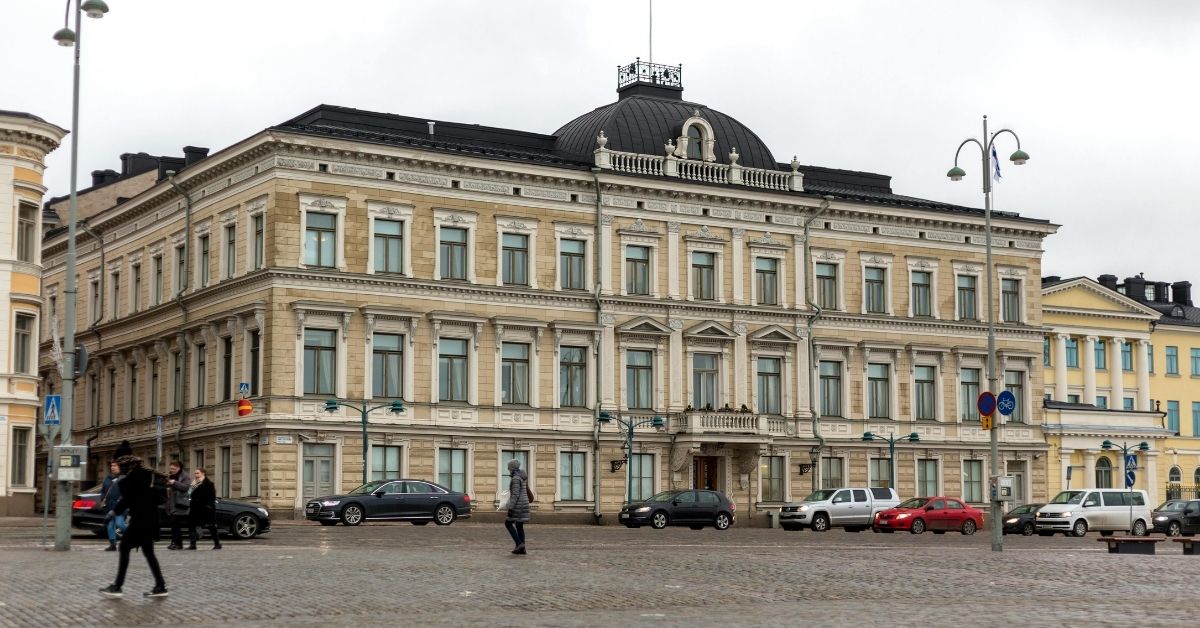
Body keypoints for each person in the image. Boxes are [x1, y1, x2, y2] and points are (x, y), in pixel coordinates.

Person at [100, 455, 167, 598]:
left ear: (127, 467)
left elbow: (128, 498)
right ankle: (160, 586)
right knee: (148, 553)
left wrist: (113, 512)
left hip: (140, 520)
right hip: (150, 520)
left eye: (120, 466)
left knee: (124, 547)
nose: (117, 468)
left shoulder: (132, 479)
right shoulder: (146, 476)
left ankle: (117, 586)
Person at [187, 468, 221, 550]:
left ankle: (217, 544)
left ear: (203, 473)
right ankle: (193, 544)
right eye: (195, 473)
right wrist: (192, 486)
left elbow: (212, 497)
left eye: (197, 473)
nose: (196, 475)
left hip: (206, 509)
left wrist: (208, 507)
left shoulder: (209, 484)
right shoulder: (194, 484)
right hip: (195, 508)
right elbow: (189, 494)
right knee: (191, 525)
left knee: (211, 526)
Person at [504, 458, 530, 555]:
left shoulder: (515, 478)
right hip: (524, 504)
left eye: (509, 467)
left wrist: (511, 508)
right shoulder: (521, 476)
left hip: (518, 505)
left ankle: (519, 544)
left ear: (512, 467)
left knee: (508, 523)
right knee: (519, 525)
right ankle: (522, 549)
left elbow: (515, 495)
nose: (508, 469)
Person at [99, 461, 127, 551]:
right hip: (109, 505)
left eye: (115, 466)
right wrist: (102, 497)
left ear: (120, 467)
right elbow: (103, 490)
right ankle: (112, 544)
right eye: (111, 466)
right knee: (110, 525)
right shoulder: (108, 478)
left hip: (119, 506)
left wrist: (120, 499)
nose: (112, 467)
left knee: (120, 524)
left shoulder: (124, 478)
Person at [164, 461, 192, 550]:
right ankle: (175, 543)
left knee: (175, 523)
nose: (171, 470)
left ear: (179, 468)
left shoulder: (185, 476)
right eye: (170, 468)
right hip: (171, 503)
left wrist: (174, 483)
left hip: (180, 504)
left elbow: (186, 487)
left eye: (173, 469)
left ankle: (177, 543)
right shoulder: (170, 476)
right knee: (174, 524)